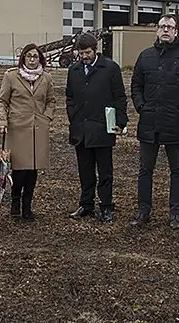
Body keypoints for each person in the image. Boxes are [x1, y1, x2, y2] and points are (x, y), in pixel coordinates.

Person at [130, 14, 179, 229]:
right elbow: (136, 85)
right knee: (145, 170)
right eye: (162, 26)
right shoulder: (145, 57)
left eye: (170, 27)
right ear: (156, 30)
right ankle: (144, 212)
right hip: (149, 122)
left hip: (175, 123)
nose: (165, 30)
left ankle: (175, 214)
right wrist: (141, 106)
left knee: (177, 170)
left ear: (176, 32)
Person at [65, 33, 128, 223]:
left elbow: (120, 97)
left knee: (105, 171)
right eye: (81, 53)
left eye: (87, 53)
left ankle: (107, 206)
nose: (84, 56)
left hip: (102, 128)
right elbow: (69, 96)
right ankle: (86, 204)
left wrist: (121, 121)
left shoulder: (110, 69)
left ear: (95, 49)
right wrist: (73, 115)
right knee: (85, 170)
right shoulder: (74, 70)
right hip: (80, 129)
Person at [0, 43, 55, 221]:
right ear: (23, 58)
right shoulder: (11, 76)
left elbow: (51, 101)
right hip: (17, 128)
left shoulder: (46, 78)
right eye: (28, 56)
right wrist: (1, 121)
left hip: (38, 128)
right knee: (19, 168)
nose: (31, 60)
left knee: (33, 169)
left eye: (35, 56)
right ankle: (15, 202)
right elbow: (2, 101)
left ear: (40, 59)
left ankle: (27, 205)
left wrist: (46, 117)